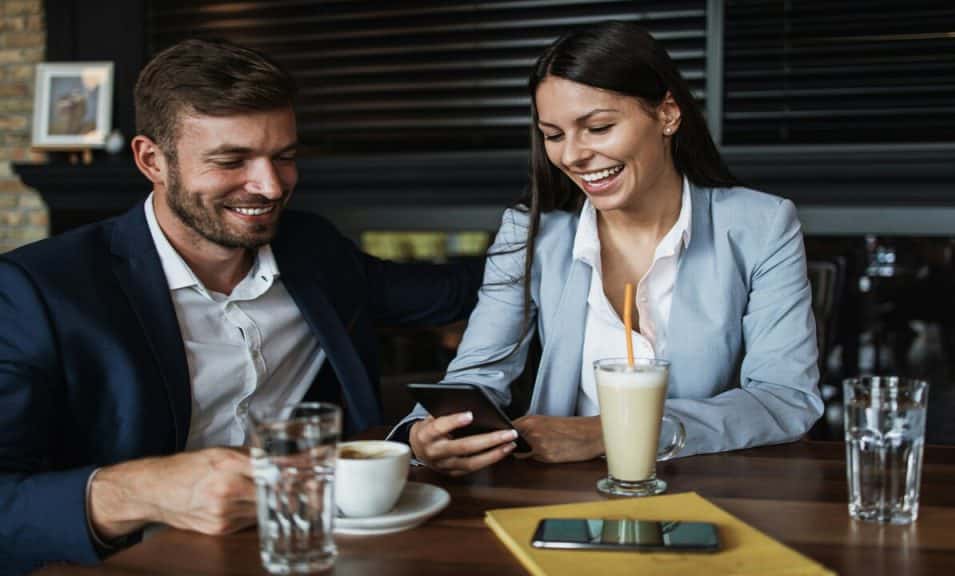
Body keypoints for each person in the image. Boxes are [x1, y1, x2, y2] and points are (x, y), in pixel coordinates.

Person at [0, 39, 482, 574]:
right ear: (151, 160)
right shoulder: (36, 291)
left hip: (317, 550)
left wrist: (552, 223)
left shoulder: (315, 250)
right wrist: (139, 492)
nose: (270, 186)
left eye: (285, 157)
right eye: (231, 160)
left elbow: (457, 290)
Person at [395, 21, 823, 475]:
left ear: (667, 114)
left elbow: (785, 398)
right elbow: (475, 376)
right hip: (559, 491)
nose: (572, 156)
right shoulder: (530, 231)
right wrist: (423, 436)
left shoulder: (760, 225)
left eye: (598, 127)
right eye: (554, 135)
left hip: (708, 486)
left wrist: (611, 431)